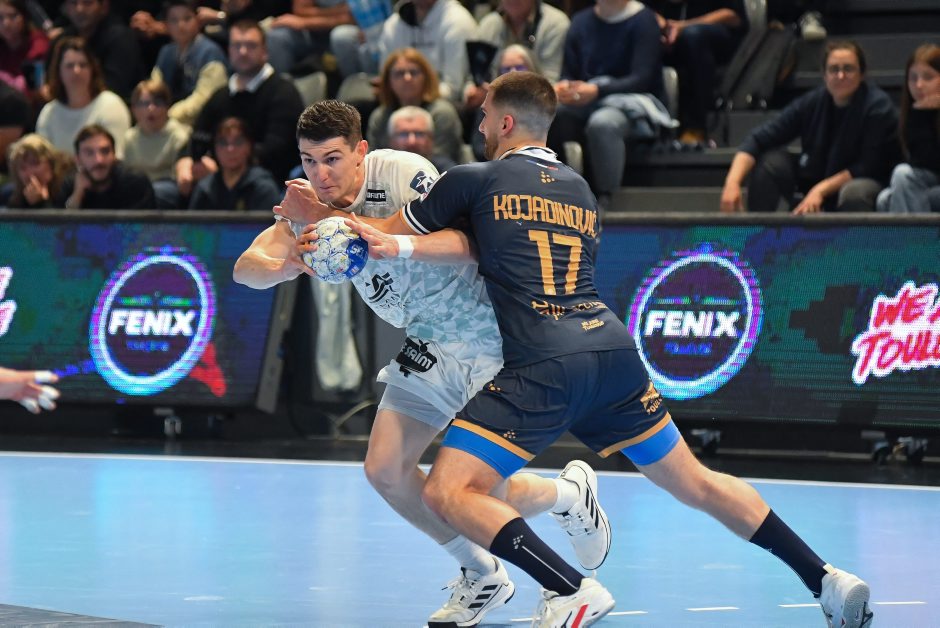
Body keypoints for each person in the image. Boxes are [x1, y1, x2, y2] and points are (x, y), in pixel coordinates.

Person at [338, 71, 874, 627]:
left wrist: (318, 222)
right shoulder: (580, 191)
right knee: (696, 482)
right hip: (613, 353)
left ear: (505, 122)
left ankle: (569, 588)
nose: (479, 126)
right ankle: (826, 578)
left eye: (484, 116)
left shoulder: (473, 179)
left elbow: (376, 233)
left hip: (543, 362)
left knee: (446, 491)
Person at [235, 99, 611, 627]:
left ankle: (569, 495)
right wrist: (288, 264)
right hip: (427, 342)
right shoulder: (305, 202)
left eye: (333, 159)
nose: (321, 174)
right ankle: (481, 572)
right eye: (309, 160)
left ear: (361, 152)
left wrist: (324, 220)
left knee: (477, 495)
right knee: (385, 470)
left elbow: (461, 240)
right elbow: (245, 268)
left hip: (487, 335)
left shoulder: (402, 172)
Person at [720, 40, 899, 214]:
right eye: (834, 69)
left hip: (863, 181)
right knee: (770, 164)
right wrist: (732, 183)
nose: (840, 76)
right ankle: (758, 230)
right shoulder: (813, 102)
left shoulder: (878, 106)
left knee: (854, 193)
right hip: (816, 175)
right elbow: (758, 139)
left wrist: (820, 190)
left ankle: (855, 236)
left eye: (848, 69)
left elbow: (867, 165)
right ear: (824, 75)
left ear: (862, 74)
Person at [547, 0, 668, 212]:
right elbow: (569, 72)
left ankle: (607, 200)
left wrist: (597, 90)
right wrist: (565, 86)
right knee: (550, 115)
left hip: (632, 100)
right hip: (586, 97)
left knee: (602, 124)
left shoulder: (644, 19)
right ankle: (556, 191)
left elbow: (642, 78)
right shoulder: (580, 21)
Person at [177, 19, 304, 197]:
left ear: (265, 52)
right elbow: (198, 135)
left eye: (251, 46)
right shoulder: (221, 95)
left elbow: (277, 152)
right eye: (237, 45)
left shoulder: (283, 92)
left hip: (270, 183)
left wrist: (220, 165)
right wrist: (185, 161)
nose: (243, 52)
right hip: (221, 179)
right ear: (229, 50)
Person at [644, 0, 747, 144]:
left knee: (693, 37)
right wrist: (656, 22)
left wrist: (684, 26)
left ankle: (698, 125)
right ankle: (653, 126)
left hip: (713, 35)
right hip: (668, 31)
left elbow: (734, 16)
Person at [35, 37, 132, 158]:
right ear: (58, 72)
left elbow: (116, 158)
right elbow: (43, 160)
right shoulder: (48, 113)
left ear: (92, 70)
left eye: (83, 65)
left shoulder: (111, 106)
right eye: (69, 66)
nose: (76, 71)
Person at [367, 47, 463, 165]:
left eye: (413, 72)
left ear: (426, 77)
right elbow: (373, 162)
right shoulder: (380, 117)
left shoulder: (443, 113)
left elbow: (442, 161)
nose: (407, 78)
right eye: (399, 73)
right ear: (388, 80)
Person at [876, 43, 940, 214]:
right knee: (885, 198)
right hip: (925, 179)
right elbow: (918, 160)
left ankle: (914, 233)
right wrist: (921, 114)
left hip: (931, 179)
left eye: (928, 77)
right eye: (913, 78)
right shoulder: (910, 113)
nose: (919, 85)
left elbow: (929, 162)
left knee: (903, 174)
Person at [377, 0, 478, 104]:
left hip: (444, 104)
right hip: (399, 103)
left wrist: (413, 95)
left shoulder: (458, 22)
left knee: (442, 110)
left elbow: (454, 89)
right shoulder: (393, 25)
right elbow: (385, 82)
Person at [152, 0, 228, 127]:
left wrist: (167, 115)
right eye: (174, 20)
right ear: (166, 25)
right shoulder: (166, 52)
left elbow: (203, 99)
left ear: (198, 21)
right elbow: (154, 88)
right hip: (167, 121)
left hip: (202, 124)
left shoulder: (210, 52)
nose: (181, 25)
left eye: (187, 19)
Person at [56, 0, 146, 100]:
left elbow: (114, 89)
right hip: (71, 104)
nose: (79, 9)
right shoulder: (61, 40)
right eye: (73, 3)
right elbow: (52, 82)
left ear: (104, 6)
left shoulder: (121, 38)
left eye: (87, 3)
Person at [124, 78, 192, 209]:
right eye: (144, 103)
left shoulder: (179, 136)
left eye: (158, 103)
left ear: (167, 107)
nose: (151, 108)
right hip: (136, 189)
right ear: (134, 109)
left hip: (167, 190)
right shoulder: (129, 138)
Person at [189, 115, 281, 210]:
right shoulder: (205, 189)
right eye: (223, 143)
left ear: (249, 146)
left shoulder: (263, 188)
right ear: (214, 147)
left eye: (238, 142)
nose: (230, 149)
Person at [58, 124, 155, 209]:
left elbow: (145, 223)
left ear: (114, 155)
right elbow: (60, 221)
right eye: (89, 153)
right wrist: (77, 195)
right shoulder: (70, 185)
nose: (99, 160)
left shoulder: (134, 182)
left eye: (105, 151)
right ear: (78, 159)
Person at [264, 0, 354, 76]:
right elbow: (301, 10)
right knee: (277, 36)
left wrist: (305, 22)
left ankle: (353, 87)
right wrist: (336, 11)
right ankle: (281, 88)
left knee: (341, 36)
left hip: (347, 30)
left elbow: (352, 18)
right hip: (312, 32)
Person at [5, 132, 73, 209]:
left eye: (35, 163)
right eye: (23, 168)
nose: (30, 173)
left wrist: (40, 203)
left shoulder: (69, 187)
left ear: (51, 163)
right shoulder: (10, 196)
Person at [0, 0, 49, 96]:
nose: (6, 23)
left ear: (24, 16)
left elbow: (35, 87)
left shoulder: (39, 43)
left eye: (13, 16)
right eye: (0, 18)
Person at [387, 105, 456, 171]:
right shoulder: (381, 173)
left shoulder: (447, 173)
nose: (412, 142)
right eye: (403, 134)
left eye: (419, 134)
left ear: (431, 139)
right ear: (391, 140)